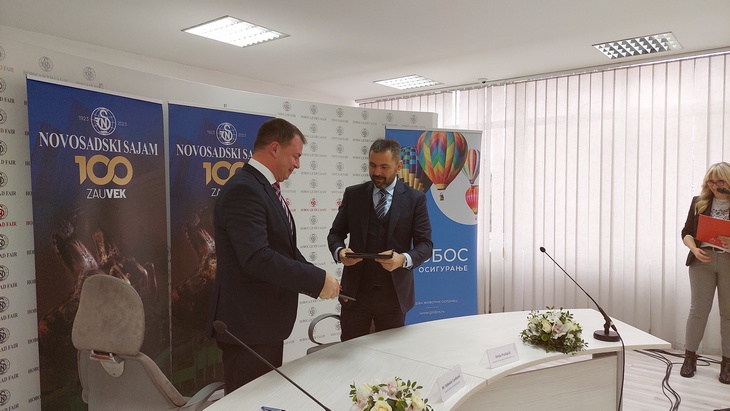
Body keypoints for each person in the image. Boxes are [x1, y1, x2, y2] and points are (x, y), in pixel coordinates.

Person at [206, 118, 340, 394]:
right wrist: (316, 280)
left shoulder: (264, 188)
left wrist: (321, 279)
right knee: (248, 403)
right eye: (296, 156)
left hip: (263, 326)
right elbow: (257, 258)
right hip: (248, 328)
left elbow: (283, 249)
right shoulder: (245, 189)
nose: (298, 165)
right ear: (275, 148)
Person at [328, 138, 433, 341]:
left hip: (394, 297)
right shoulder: (353, 194)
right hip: (355, 295)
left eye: (384, 167)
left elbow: (426, 245)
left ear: (399, 166)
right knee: (350, 353)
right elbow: (335, 234)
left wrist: (402, 260)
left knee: (390, 356)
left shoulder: (415, 199)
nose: (377, 172)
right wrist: (340, 252)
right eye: (372, 165)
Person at [680, 161, 730, 384]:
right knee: (698, 311)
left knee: (728, 314)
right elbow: (686, 232)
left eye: (719, 181)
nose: (714, 185)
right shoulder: (698, 202)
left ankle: (727, 363)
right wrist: (694, 249)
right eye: (710, 181)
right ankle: (689, 358)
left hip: (728, 261)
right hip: (702, 260)